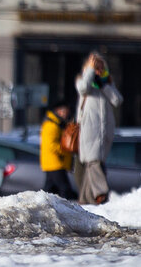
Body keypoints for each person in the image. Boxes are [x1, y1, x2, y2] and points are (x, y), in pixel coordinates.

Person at [75, 52, 123, 205]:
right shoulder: (83, 80)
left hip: (105, 130)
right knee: (93, 160)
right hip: (90, 128)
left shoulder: (106, 83)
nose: (98, 69)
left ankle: (85, 198)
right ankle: (101, 192)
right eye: (96, 66)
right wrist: (89, 71)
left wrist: (104, 85)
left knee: (94, 162)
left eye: (101, 66)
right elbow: (83, 88)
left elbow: (117, 100)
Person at [40, 100, 77, 200]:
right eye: (64, 111)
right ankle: (68, 211)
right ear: (58, 111)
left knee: (50, 190)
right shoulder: (51, 125)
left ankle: (44, 206)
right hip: (55, 162)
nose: (66, 114)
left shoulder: (57, 124)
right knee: (64, 189)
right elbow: (51, 145)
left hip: (55, 162)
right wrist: (66, 150)